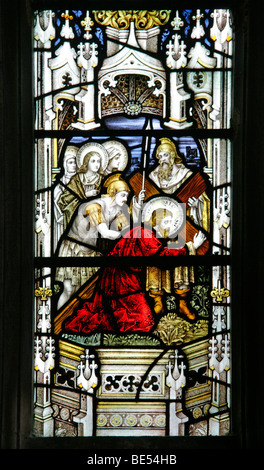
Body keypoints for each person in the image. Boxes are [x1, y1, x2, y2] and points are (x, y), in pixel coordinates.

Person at [63, 209, 206, 334]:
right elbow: (163, 258)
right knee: (143, 324)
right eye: (167, 222)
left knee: (127, 317)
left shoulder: (146, 233)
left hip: (122, 278)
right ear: (156, 222)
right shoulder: (145, 234)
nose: (170, 227)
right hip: (121, 281)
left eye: (172, 223)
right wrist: (191, 247)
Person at [56, 174, 145, 309]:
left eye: (127, 196)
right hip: (73, 250)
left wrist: (137, 206)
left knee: (87, 293)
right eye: (122, 195)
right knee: (69, 290)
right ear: (112, 193)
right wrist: (122, 235)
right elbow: (105, 233)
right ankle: (58, 319)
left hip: (91, 252)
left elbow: (129, 231)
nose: (125, 199)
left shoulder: (117, 209)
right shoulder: (94, 206)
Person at [149, 137, 210, 231]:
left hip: (183, 226)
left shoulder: (187, 176)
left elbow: (203, 201)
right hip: (159, 225)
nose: (163, 160)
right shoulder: (153, 177)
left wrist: (196, 205)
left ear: (172, 156)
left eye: (165, 155)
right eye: (160, 157)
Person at [57, 150, 104, 228]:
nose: (96, 164)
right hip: (78, 222)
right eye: (93, 161)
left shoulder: (103, 180)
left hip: (96, 221)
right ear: (86, 162)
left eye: (98, 161)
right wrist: (86, 195)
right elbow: (64, 200)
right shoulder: (76, 179)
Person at [53, 146, 78, 246]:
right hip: (62, 224)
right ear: (64, 164)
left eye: (75, 162)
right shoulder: (59, 185)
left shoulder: (80, 183)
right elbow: (56, 205)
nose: (74, 165)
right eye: (70, 162)